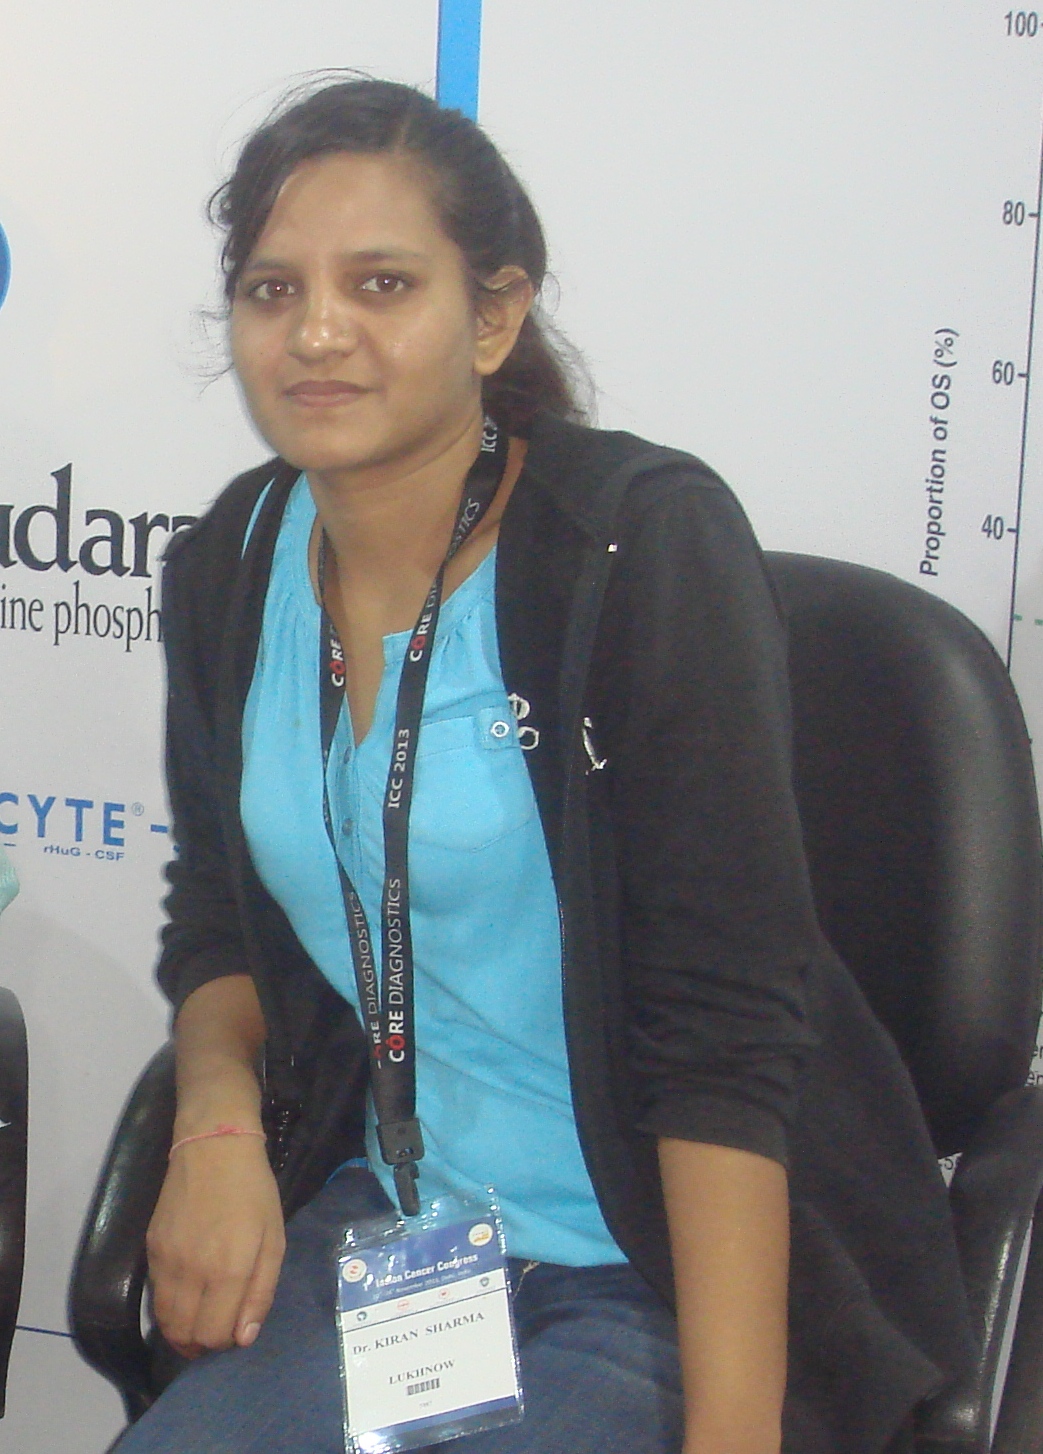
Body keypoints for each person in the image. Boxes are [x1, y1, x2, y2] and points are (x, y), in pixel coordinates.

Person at [115, 77, 974, 1454]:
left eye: (382, 283)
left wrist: (734, 1435)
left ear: (495, 316)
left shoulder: (635, 551)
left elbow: (722, 1040)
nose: (318, 331)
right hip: (404, 1233)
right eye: (274, 290)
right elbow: (222, 919)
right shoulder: (231, 562)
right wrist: (215, 1122)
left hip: (655, 1263)